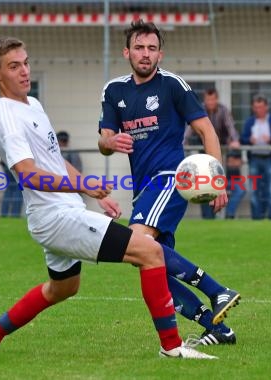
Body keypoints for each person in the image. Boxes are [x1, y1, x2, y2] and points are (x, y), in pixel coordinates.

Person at [0, 36, 221, 360]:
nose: (24, 71)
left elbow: (54, 160)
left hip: (62, 212)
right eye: (13, 66)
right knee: (148, 251)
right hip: (55, 219)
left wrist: (93, 194)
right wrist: (86, 186)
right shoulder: (7, 118)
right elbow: (29, 175)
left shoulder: (32, 105)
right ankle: (172, 347)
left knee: (62, 288)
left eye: (26, 63)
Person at [97, 20, 240, 347]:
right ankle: (214, 325)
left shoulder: (172, 84)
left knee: (132, 243)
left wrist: (217, 181)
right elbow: (103, 140)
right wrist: (111, 142)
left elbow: (208, 132)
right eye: (138, 48)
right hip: (143, 190)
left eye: (151, 48)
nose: (145, 54)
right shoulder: (113, 90)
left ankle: (218, 291)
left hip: (171, 178)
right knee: (150, 262)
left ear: (160, 53)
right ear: (127, 52)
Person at [184, 88, 246, 219]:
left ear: (216, 99)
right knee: (203, 187)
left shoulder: (223, 110)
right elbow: (188, 130)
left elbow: (231, 127)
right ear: (204, 100)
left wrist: (235, 141)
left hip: (224, 154)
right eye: (208, 100)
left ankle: (229, 215)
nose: (210, 102)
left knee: (238, 188)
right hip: (204, 154)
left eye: (213, 99)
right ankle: (208, 218)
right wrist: (183, 143)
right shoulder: (199, 109)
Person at [240, 94, 271, 220]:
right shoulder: (250, 121)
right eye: (255, 107)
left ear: (266, 107)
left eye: (260, 107)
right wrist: (249, 140)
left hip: (270, 159)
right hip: (254, 159)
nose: (258, 110)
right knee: (254, 191)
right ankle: (256, 218)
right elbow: (242, 138)